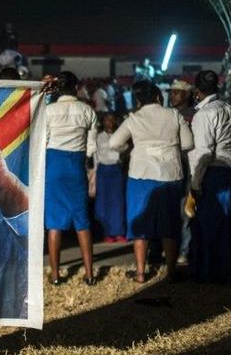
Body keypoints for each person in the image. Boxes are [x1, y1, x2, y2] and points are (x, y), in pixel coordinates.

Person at [109, 81, 193, 282]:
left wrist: (129, 150)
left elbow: (114, 143)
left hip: (141, 175)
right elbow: (189, 143)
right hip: (170, 175)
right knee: (170, 226)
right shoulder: (173, 115)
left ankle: (140, 273)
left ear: (138, 100)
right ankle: (171, 272)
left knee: (140, 227)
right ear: (158, 97)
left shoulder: (134, 119)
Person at [188, 70, 231, 281]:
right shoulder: (226, 107)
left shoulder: (204, 114)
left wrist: (195, 183)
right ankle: (229, 267)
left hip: (214, 170)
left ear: (197, 91)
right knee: (226, 221)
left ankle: (210, 271)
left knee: (210, 223)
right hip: (230, 168)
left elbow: (203, 153)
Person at [43, 71, 97, 286]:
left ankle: (56, 275)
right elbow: (91, 147)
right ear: (76, 87)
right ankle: (89, 274)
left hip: (53, 164)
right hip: (76, 165)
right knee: (82, 221)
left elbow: (43, 140)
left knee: (54, 223)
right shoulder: (87, 110)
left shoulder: (49, 110)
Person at [167, 79, 196, 262]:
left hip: (186, 166)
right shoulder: (168, 114)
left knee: (185, 210)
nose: (173, 95)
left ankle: (185, 250)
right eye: (171, 92)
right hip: (170, 166)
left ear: (187, 95)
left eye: (177, 92)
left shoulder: (193, 114)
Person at [94, 113, 127, 242]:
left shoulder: (120, 136)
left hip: (116, 169)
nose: (110, 122)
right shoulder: (99, 137)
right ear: (103, 122)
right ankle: (107, 233)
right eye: (107, 120)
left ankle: (119, 231)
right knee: (103, 202)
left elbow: (124, 149)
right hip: (103, 170)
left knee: (118, 202)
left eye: (112, 120)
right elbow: (96, 156)